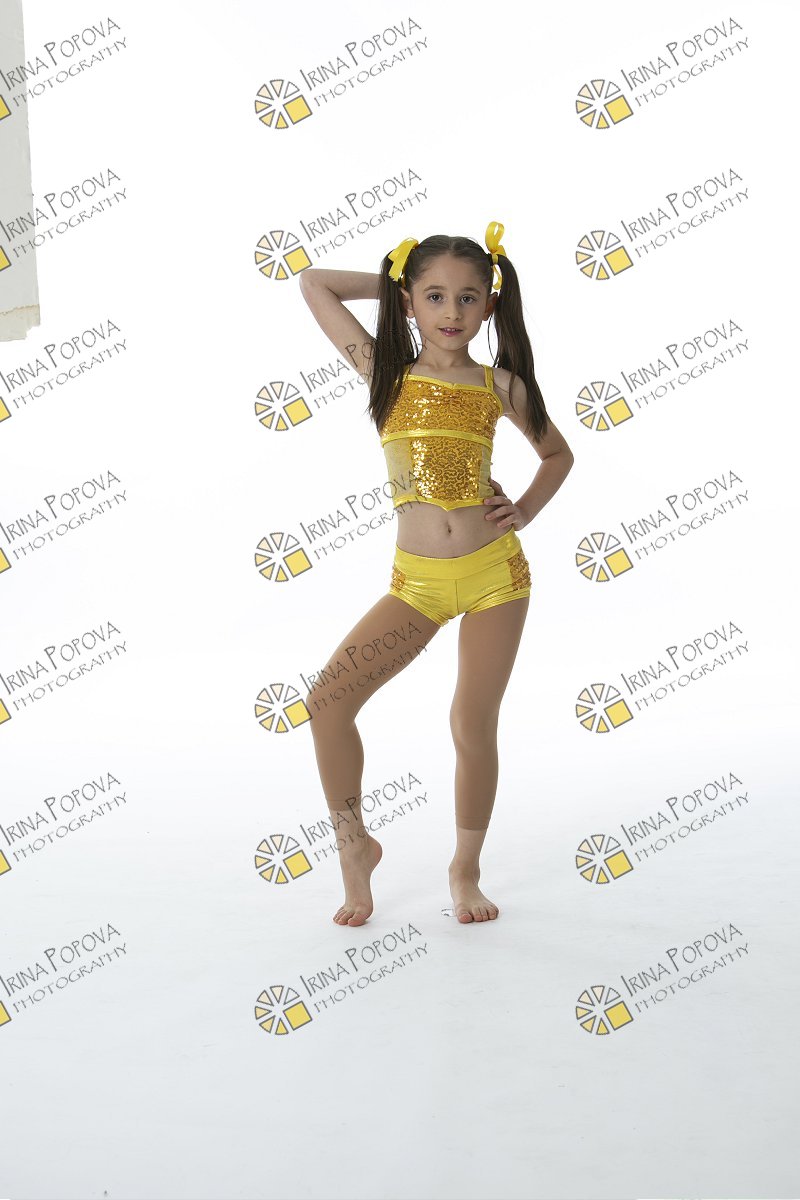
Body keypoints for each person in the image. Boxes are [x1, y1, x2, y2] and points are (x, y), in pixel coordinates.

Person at [299, 221, 574, 927]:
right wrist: (393, 283)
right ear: (410, 304)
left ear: (490, 306)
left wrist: (525, 510)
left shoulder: (499, 384)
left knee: (470, 722)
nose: (452, 312)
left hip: (494, 577)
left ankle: (465, 869)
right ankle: (355, 847)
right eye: (435, 296)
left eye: (468, 297)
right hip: (416, 586)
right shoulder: (384, 372)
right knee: (328, 703)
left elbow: (558, 455)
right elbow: (314, 283)